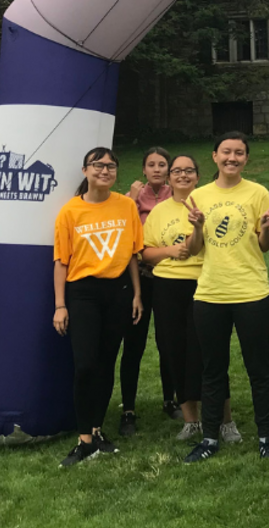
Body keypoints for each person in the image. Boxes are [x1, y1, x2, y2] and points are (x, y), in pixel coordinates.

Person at [183, 132, 269, 463]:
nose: (232, 158)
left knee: (259, 367)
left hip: (252, 292)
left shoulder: (257, 193)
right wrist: (197, 227)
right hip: (210, 294)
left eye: (239, 153)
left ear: (246, 159)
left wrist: (266, 228)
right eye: (226, 152)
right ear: (214, 156)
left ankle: (266, 437)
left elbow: (264, 245)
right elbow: (195, 249)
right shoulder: (199, 195)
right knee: (213, 369)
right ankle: (210, 437)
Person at [53, 147, 144, 466]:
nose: (104, 171)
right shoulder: (70, 212)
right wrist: (60, 305)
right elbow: (61, 262)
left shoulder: (126, 206)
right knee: (85, 364)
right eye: (98, 165)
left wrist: (136, 294)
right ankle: (83, 440)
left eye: (111, 166)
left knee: (107, 363)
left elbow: (134, 254)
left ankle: (97, 429)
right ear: (85, 171)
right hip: (83, 293)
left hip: (118, 291)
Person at [143, 155, 231, 441]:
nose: (182, 175)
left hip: (204, 285)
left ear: (197, 176)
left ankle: (223, 420)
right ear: (168, 178)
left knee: (209, 353)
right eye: (176, 171)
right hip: (167, 288)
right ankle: (191, 420)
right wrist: (169, 251)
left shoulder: (208, 203)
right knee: (175, 352)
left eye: (188, 171)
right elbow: (145, 253)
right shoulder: (158, 212)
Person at [118, 147, 178, 437]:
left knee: (168, 341)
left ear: (168, 170)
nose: (156, 169)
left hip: (169, 276)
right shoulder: (132, 198)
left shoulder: (176, 195)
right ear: (143, 169)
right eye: (151, 164)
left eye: (162, 164)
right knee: (134, 344)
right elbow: (121, 233)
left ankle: (171, 399)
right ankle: (128, 409)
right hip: (137, 276)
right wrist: (131, 198)